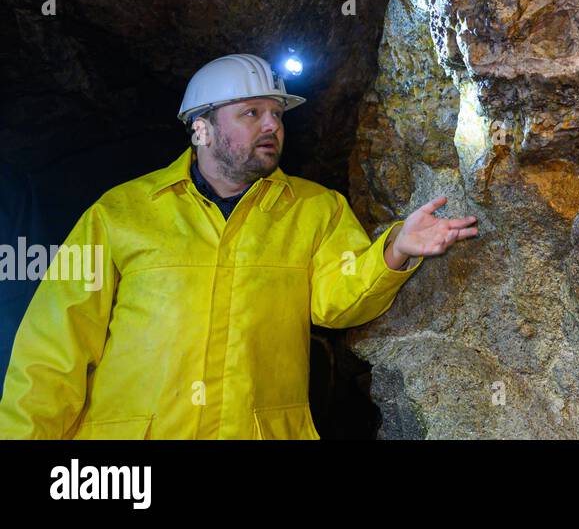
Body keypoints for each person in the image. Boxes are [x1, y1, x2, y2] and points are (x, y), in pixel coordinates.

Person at [0, 53, 476, 439]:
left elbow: (334, 304)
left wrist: (395, 248)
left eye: (277, 114)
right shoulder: (120, 213)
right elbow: (52, 348)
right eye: (252, 113)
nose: (272, 125)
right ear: (202, 128)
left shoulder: (315, 209)